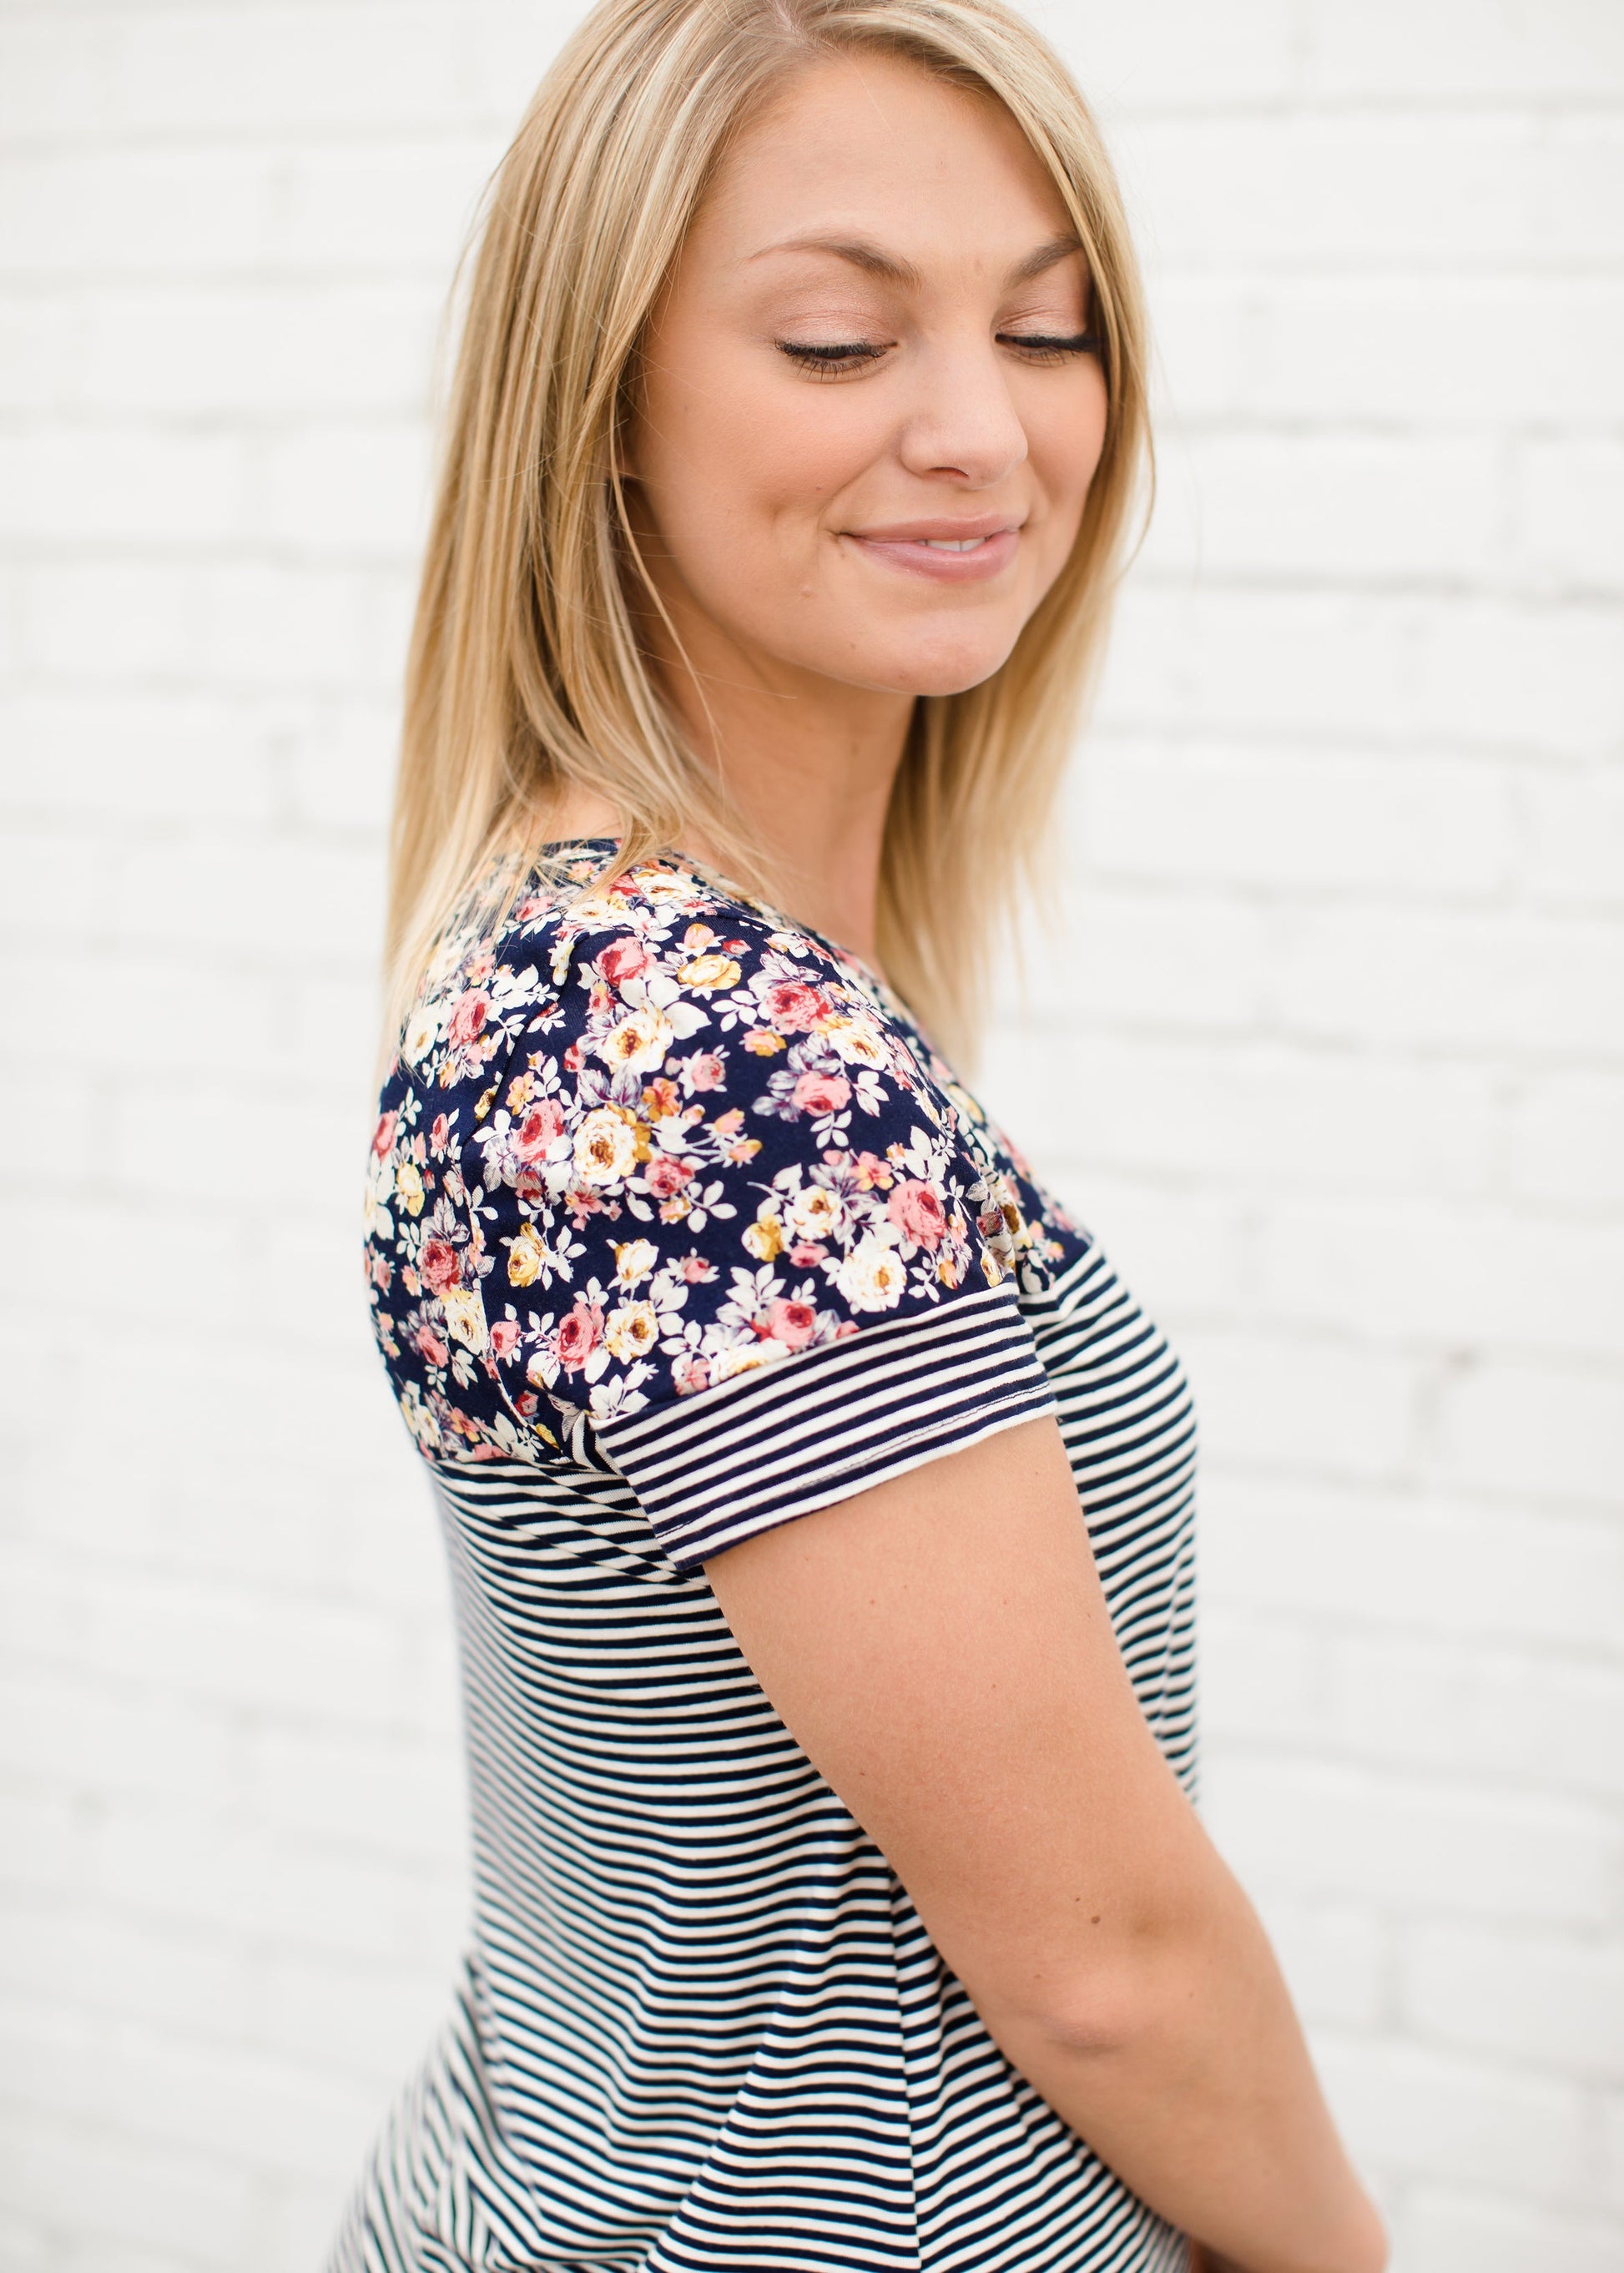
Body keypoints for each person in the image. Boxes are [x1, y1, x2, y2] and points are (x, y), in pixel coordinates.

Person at [332, 0, 1389, 2266]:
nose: (979, 430)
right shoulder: (690, 1042)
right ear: (595, 402)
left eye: (1047, 326)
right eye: (833, 341)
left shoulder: (631, 968)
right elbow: (1104, 1959)